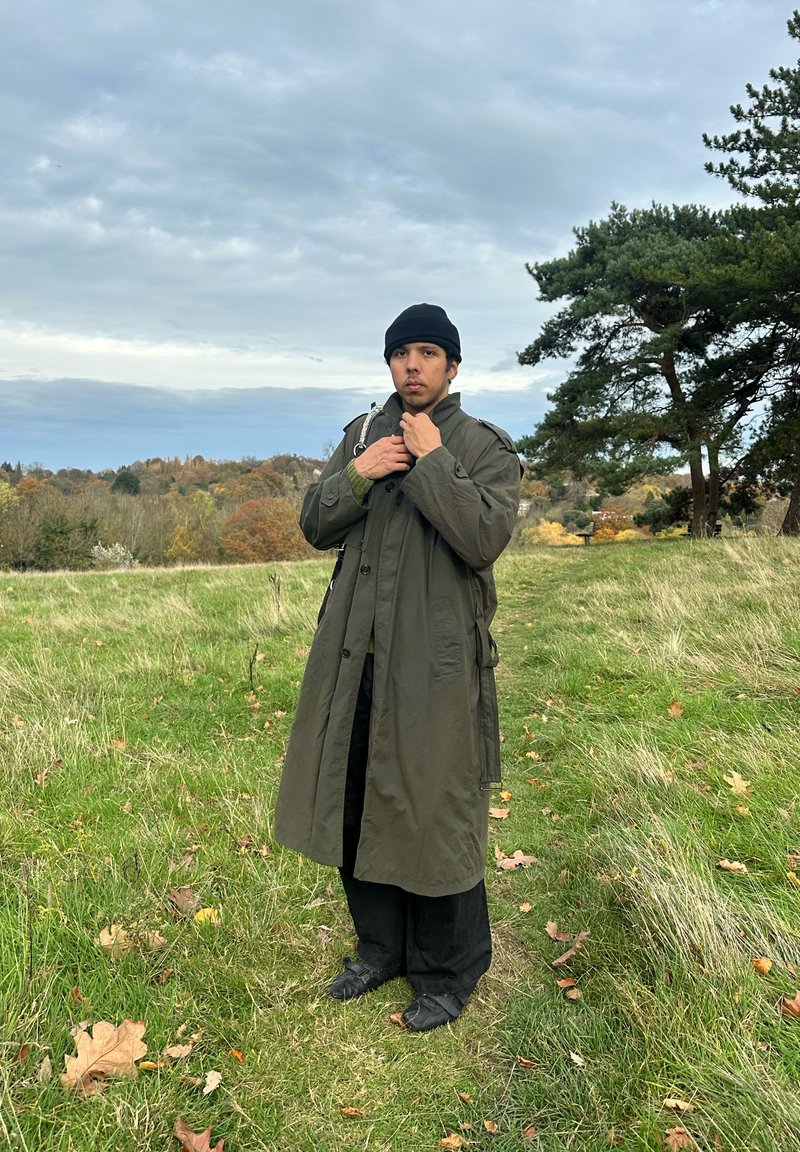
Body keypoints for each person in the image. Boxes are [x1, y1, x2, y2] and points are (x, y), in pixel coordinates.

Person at [275, 303, 522, 1031]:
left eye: (427, 353)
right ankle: (379, 949)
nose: (412, 365)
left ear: (452, 366)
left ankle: (446, 973)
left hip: (436, 666)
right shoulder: (362, 434)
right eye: (400, 353)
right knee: (355, 801)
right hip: (354, 657)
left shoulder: (482, 446)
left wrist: (432, 462)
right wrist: (358, 475)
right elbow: (315, 524)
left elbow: (484, 536)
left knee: (435, 811)